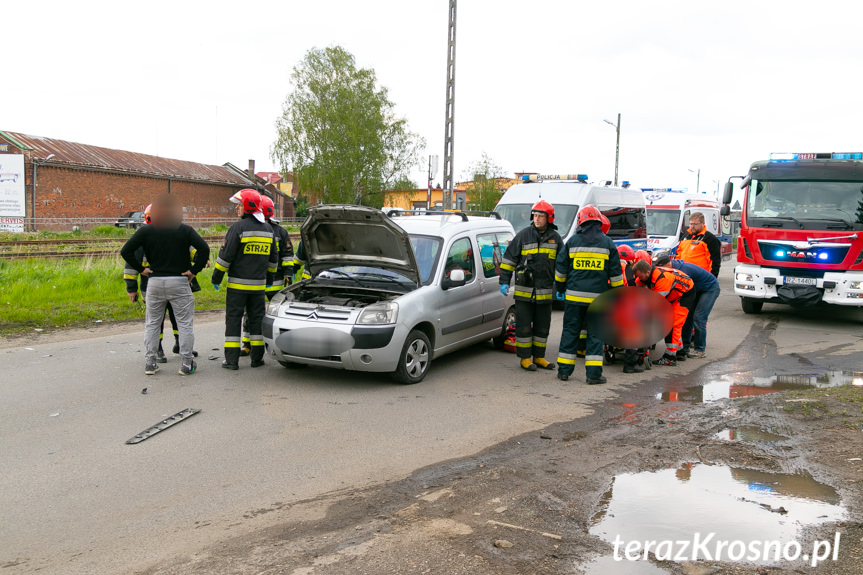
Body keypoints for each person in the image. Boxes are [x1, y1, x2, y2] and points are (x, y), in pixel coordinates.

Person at [121, 195, 210, 376]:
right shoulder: (184, 230)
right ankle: (186, 363)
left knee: (152, 323)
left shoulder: (146, 231)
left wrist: (141, 269)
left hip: (154, 283)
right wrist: (194, 271)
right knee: (184, 324)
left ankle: (150, 363)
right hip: (179, 282)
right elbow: (204, 249)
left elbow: (126, 251)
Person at [554, 205, 624, 384]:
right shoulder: (607, 243)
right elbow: (616, 274)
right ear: (598, 221)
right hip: (598, 300)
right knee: (595, 335)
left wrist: (560, 289)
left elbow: (561, 270)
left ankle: (564, 371)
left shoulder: (572, 242)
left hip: (573, 299)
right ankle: (593, 375)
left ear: (581, 221)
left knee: (570, 332)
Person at [211, 189, 278, 370]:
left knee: (233, 320)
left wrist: (216, 277)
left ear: (247, 206)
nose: (237, 208)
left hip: (237, 287)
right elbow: (273, 261)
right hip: (258, 287)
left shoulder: (237, 228)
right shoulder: (268, 230)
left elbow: (225, 257)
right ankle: (257, 358)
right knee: (256, 320)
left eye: (239, 204)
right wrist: (269, 280)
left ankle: (232, 361)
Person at [499, 200, 563, 371]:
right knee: (524, 327)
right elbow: (508, 260)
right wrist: (504, 282)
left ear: (549, 218)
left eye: (541, 216)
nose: (537, 219)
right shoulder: (523, 235)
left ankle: (539, 357)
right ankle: (525, 359)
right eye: (535, 215)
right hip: (524, 292)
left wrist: (562, 287)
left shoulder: (556, 239)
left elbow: (562, 264)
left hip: (545, 293)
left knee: (543, 328)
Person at [238, 195, 294, 356]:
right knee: (253, 313)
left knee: (264, 313)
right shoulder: (272, 230)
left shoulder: (280, 232)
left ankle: (260, 343)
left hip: (270, 280)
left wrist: (288, 273)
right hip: (261, 280)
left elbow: (287, 256)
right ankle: (248, 343)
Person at [652, 251, 720, 359]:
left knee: (699, 318)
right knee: (687, 318)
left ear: (668, 265)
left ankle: (699, 350)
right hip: (694, 290)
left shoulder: (682, 270)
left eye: (659, 267)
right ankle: (685, 347)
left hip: (709, 289)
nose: (658, 271)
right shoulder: (670, 270)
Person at [632, 259, 694, 366]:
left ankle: (670, 357)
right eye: (638, 277)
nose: (639, 279)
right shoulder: (643, 276)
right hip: (673, 294)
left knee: (673, 325)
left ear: (647, 272)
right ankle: (680, 352)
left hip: (684, 295)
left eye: (640, 276)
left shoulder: (662, 279)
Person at [678, 212, 722, 277]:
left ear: (703, 223)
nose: (692, 226)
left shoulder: (710, 239)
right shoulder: (686, 236)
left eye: (695, 224)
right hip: (684, 275)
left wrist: (712, 278)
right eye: (691, 224)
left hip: (700, 276)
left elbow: (714, 262)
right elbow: (678, 254)